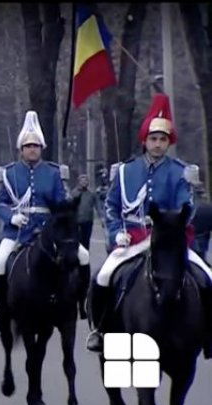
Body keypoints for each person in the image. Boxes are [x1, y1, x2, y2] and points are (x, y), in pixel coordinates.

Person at [86, 93, 212, 357]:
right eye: (153, 139)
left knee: (207, 277)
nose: (158, 144)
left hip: (168, 241)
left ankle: (207, 333)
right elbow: (111, 206)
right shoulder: (125, 171)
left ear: (169, 143)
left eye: (163, 140)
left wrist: (171, 227)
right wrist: (116, 232)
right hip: (131, 239)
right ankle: (99, 329)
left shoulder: (180, 172)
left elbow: (186, 207)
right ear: (144, 141)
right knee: (103, 277)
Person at [0, 110, 90, 324]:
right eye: (28, 146)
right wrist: (11, 217)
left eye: (36, 146)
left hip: (49, 230)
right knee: (0, 261)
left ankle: (83, 302)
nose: (32, 150)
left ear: (42, 149)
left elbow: (61, 202)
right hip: (18, 231)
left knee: (83, 256)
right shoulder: (9, 173)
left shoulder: (53, 172)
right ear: (21, 149)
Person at [71, 174, 97, 250]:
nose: (84, 183)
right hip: (77, 221)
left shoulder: (91, 193)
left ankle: (86, 257)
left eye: (86, 181)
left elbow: (97, 205)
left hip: (88, 221)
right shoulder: (74, 193)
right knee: (77, 241)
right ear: (78, 182)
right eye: (82, 181)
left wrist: (102, 217)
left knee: (86, 241)